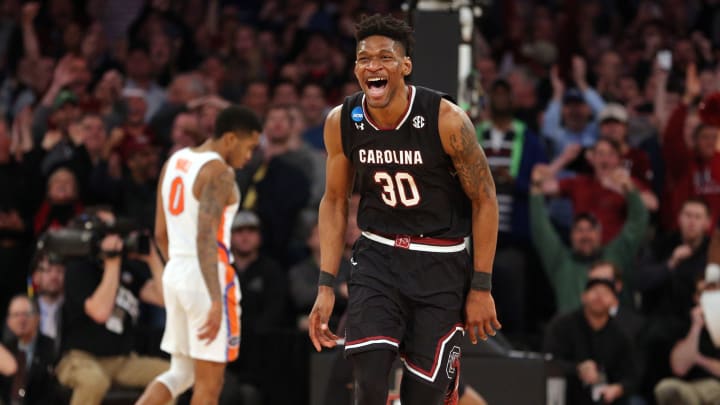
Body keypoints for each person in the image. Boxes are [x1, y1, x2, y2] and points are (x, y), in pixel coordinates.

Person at [308, 14, 500, 405]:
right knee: (369, 384)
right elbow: (334, 200)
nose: (373, 66)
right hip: (377, 257)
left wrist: (481, 285)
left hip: (440, 263)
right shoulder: (343, 120)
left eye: (384, 57)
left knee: (422, 397)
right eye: (363, 59)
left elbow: (485, 200)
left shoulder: (446, 119)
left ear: (406, 66)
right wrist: (326, 283)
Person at [135, 105, 262, 405]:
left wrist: (179, 273)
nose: (249, 156)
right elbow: (206, 237)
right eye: (249, 147)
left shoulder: (174, 161)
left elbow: (160, 233)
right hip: (207, 278)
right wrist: (214, 299)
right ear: (230, 139)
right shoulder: (219, 173)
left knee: (180, 373)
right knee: (209, 386)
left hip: (176, 272)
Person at [56, 211, 168, 405]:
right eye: (109, 231)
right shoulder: (79, 268)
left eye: (118, 232)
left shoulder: (128, 269)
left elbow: (165, 299)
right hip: (81, 358)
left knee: (169, 376)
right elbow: (100, 312)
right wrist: (112, 263)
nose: (116, 237)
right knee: (94, 382)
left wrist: (153, 259)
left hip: (121, 360)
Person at [543, 278, 639, 405]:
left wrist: (617, 389)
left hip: (605, 399)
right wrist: (578, 369)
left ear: (614, 302)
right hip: (566, 394)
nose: (599, 297)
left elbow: (631, 375)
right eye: (594, 291)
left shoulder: (621, 334)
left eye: (605, 293)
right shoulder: (562, 325)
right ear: (583, 297)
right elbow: (548, 360)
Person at [1, 295, 63, 405]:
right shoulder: (5, 350)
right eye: (16, 315)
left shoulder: (53, 347)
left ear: (38, 317)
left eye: (26, 314)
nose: (21, 319)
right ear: (8, 321)